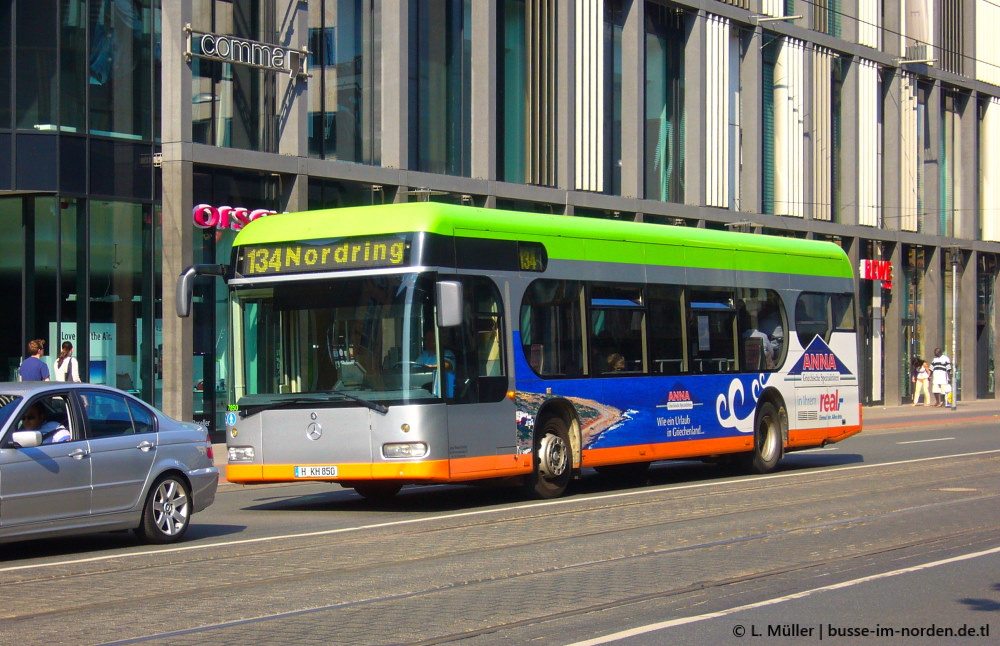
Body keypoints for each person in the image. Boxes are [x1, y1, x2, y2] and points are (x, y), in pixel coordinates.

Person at [416, 329, 455, 397]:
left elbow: (447, 365)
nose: (427, 342)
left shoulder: (446, 353)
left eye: (431, 339)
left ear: (437, 340)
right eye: (426, 339)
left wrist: (433, 367)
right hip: (419, 391)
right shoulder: (423, 355)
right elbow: (414, 368)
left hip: (441, 393)